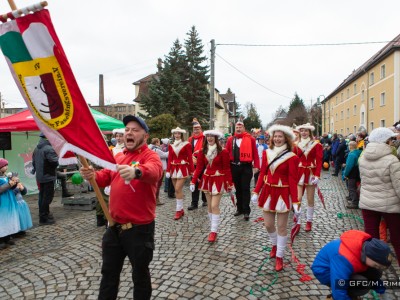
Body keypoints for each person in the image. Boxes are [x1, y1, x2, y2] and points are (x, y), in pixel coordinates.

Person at [80, 115, 162, 300]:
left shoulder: (150, 155)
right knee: (108, 273)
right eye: (127, 130)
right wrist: (92, 174)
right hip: (114, 226)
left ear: (145, 136)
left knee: (140, 275)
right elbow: (105, 176)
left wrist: (136, 172)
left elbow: (154, 172)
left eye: (135, 130)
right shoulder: (119, 156)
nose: (129, 133)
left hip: (139, 230)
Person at [251, 125, 299, 271]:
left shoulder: (292, 157)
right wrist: (256, 191)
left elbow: (292, 179)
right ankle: (274, 244)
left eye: (280, 136)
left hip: (284, 194)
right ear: (272, 138)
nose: (277, 139)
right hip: (269, 192)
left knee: (282, 227)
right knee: (268, 224)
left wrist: (296, 201)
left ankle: (280, 256)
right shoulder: (267, 153)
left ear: (286, 139)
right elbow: (262, 174)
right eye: (275, 136)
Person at [358, 127, 400, 266]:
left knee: (371, 238)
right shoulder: (392, 160)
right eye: (391, 140)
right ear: (386, 141)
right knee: (397, 238)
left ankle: (371, 272)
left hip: (368, 202)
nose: (392, 143)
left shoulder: (363, 158)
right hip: (390, 205)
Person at [312, 230, 392, 300]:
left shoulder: (364, 250)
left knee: (376, 272)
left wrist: (381, 288)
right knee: (361, 284)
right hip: (325, 272)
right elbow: (339, 285)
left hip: (345, 267)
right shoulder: (345, 258)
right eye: (376, 265)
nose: (377, 267)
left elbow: (374, 275)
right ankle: (336, 297)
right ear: (368, 255)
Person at [190, 129, 234, 243]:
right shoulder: (202, 151)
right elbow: (199, 167)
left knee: (214, 206)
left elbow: (227, 168)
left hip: (219, 179)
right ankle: (212, 228)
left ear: (216, 138)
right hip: (206, 180)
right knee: (209, 206)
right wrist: (193, 181)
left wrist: (230, 183)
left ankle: (214, 231)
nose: (209, 138)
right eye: (208, 136)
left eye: (212, 136)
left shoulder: (223, 152)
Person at [225, 120, 260, 221]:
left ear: (244, 128)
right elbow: (226, 153)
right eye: (237, 128)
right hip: (234, 167)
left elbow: (255, 154)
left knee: (245, 188)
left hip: (246, 167)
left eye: (240, 127)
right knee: (238, 189)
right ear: (235, 129)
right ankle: (239, 208)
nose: (239, 129)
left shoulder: (251, 139)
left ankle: (246, 211)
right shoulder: (230, 140)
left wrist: (257, 166)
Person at [296, 123, 323, 232]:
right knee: (297, 199)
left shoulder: (316, 145)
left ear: (310, 132)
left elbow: (319, 160)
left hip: (311, 173)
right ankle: (297, 222)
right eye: (302, 130)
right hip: (299, 173)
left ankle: (309, 221)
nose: (304, 132)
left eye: (306, 131)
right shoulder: (295, 145)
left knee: (310, 199)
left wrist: (317, 175)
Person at [166, 127, 194, 220]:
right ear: (173, 135)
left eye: (178, 134)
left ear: (181, 135)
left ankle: (178, 210)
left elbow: (190, 158)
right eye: (175, 134)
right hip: (173, 168)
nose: (177, 135)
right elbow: (170, 158)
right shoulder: (171, 145)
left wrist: (192, 170)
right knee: (177, 190)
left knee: (178, 189)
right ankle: (181, 209)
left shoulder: (186, 144)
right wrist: (167, 170)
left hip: (182, 168)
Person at [32, 132, 59, 225]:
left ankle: (44, 214)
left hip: (40, 176)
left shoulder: (37, 148)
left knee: (42, 196)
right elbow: (55, 162)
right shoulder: (49, 149)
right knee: (47, 197)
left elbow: (33, 162)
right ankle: (44, 218)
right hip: (48, 176)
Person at [0, 159, 20, 249]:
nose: (6, 167)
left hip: (9, 200)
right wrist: (9, 184)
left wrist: (15, 183)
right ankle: (1, 239)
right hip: (2, 202)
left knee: (9, 218)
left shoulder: (5, 176)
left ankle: (7, 237)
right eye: (5, 165)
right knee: (2, 220)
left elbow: (11, 187)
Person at [187, 118, 207, 210]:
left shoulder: (205, 138)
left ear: (201, 129)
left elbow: (207, 150)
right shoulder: (190, 139)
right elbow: (187, 151)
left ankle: (205, 200)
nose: (196, 130)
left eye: (198, 129)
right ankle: (194, 203)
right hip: (193, 165)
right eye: (194, 129)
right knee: (194, 182)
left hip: (203, 164)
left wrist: (198, 156)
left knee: (203, 181)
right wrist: (191, 158)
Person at [148, 138, 168, 206]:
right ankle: (156, 200)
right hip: (159, 168)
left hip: (154, 167)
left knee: (155, 185)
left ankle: (154, 199)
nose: (160, 143)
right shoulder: (156, 149)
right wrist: (171, 150)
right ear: (156, 142)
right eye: (159, 142)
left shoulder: (150, 147)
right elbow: (165, 155)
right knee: (158, 185)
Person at [343, 141, 362, 209]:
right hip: (356, 171)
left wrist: (345, 174)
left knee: (351, 187)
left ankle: (355, 202)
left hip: (352, 173)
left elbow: (349, 166)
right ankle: (351, 197)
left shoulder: (351, 154)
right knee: (352, 187)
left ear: (350, 146)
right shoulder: (358, 152)